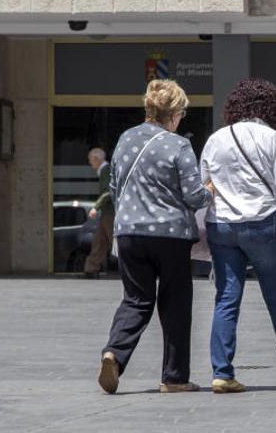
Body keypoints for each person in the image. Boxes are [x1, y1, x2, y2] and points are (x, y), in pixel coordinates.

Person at [201, 78, 276, 394]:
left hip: (222, 226)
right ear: (269, 107)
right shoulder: (274, 139)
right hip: (264, 224)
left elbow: (204, 185)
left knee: (226, 298)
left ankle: (222, 372)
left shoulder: (215, 140)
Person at [97, 79, 213, 394]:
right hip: (170, 234)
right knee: (175, 302)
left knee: (136, 299)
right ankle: (174, 378)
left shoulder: (125, 139)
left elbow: (114, 187)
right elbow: (193, 196)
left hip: (130, 232)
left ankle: (114, 354)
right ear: (173, 114)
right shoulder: (178, 145)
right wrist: (209, 192)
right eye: (182, 113)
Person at [84, 147, 114, 278]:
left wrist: (96, 207)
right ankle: (91, 268)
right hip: (107, 213)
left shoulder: (106, 170)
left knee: (115, 242)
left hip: (111, 213)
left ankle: (133, 269)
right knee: (99, 241)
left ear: (96, 159)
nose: (90, 163)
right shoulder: (104, 170)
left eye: (91, 160)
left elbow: (108, 192)